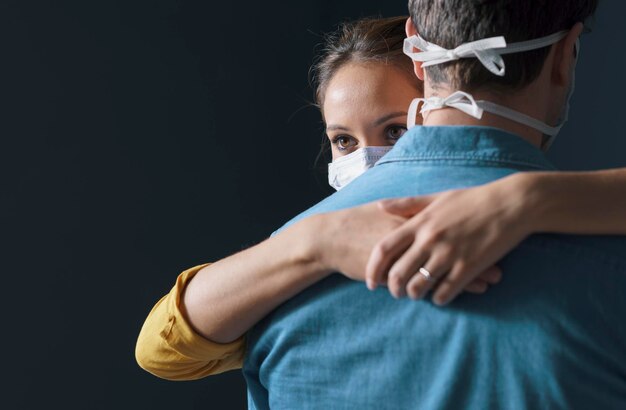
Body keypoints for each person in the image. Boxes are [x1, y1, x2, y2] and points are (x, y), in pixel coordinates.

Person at [135, 4, 626, 407]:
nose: (368, 160)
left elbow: (167, 349)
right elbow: (160, 346)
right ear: (567, 56)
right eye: (344, 141)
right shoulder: (603, 252)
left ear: (419, 55)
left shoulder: (280, 280)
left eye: (393, 132)